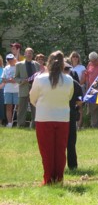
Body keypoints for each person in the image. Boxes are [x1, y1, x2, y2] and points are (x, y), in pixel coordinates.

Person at [30, 51, 74, 185]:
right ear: (63, 64)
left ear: (48, 63)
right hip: (63, 118)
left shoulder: (40, 79)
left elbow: (32, 98)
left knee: (47, 151)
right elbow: (69, 97)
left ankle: (48, 179)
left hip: (44, 118)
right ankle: (59, 178)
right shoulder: (69, 79)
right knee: (60, 151)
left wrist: (42, 105)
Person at [63, 61, 83, 170]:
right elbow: (80, 101)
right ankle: (72, 166)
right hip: (69, 114)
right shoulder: (74, 83)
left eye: (67, 69)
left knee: (69, 142)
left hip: (64, 114)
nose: (67, 71)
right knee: (70, 142)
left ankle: (70, 166)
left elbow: (80, 100)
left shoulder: (56, 82)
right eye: (66, 69)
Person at [15, 47, 41, 128]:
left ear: (32, 55)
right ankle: (20, 125)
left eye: (30, 53)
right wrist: (21, 81)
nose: (29, 54)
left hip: (34, 89)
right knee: (22, 108)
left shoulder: (37, 64)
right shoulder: (19, 64)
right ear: (25, 54)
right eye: (27, 53)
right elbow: (16, 77)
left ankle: (34, 125)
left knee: (35, 108)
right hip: (23, 88)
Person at [1, 54, 18, 128]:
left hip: (17, 90)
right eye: (8, 59)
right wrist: (10, 80)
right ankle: (9, 123)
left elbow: (20, 78)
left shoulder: (18, 67)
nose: (10, 60)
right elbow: (3, 79)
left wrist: (14, 80)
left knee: (18, 107)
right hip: (7, 90)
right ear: (6, 60)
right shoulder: (6, 68)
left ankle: (18, 122)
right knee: (8, 107)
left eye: (11, 59)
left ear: (14, 59)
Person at [0, 55, 4, 126]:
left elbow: (4, 80)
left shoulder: (3, 69)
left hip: (1, 89)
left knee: (1, 106)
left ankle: (0, 121)